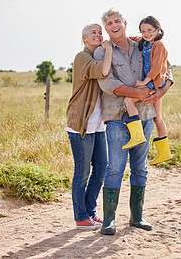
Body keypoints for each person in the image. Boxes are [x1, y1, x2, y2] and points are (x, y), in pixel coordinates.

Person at [93, 8, 173, 235]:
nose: (114, 25)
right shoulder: (102, 52)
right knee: (115, 167)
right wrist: (140, 93)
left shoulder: (143, 44)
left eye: (117, 20)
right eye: (109, 23)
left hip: (146, 115)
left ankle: (136, 217)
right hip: (118, 118)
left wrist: (161, 90)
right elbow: (108, 84)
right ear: (106, 29)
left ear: (125, 23)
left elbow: (166, 67)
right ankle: (109, 220)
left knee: (140, 167)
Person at [65, 23, 113, 229]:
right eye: (93, 32)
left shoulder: (100, 55)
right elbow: (103, 72)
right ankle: (81, 217)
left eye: (99, 32)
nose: (98, 34)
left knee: (101, 168)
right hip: (81, 123)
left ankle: (90, 212)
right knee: (82, 171)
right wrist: (110, 48)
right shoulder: (82, 57)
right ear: (84, 38)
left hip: (98, 124)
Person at [123, 16, 172, 166]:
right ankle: (164, 153)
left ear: (158, 30)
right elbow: (131, 38)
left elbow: (157, 67)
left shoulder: (158, 45)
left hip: (153, 82)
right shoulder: (145, 42)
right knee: (158, 117)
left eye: (149, 30)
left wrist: (145, 81)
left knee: (128, 100)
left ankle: (137, 135)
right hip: (156, 83)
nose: (146, 33)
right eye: (143, 31)